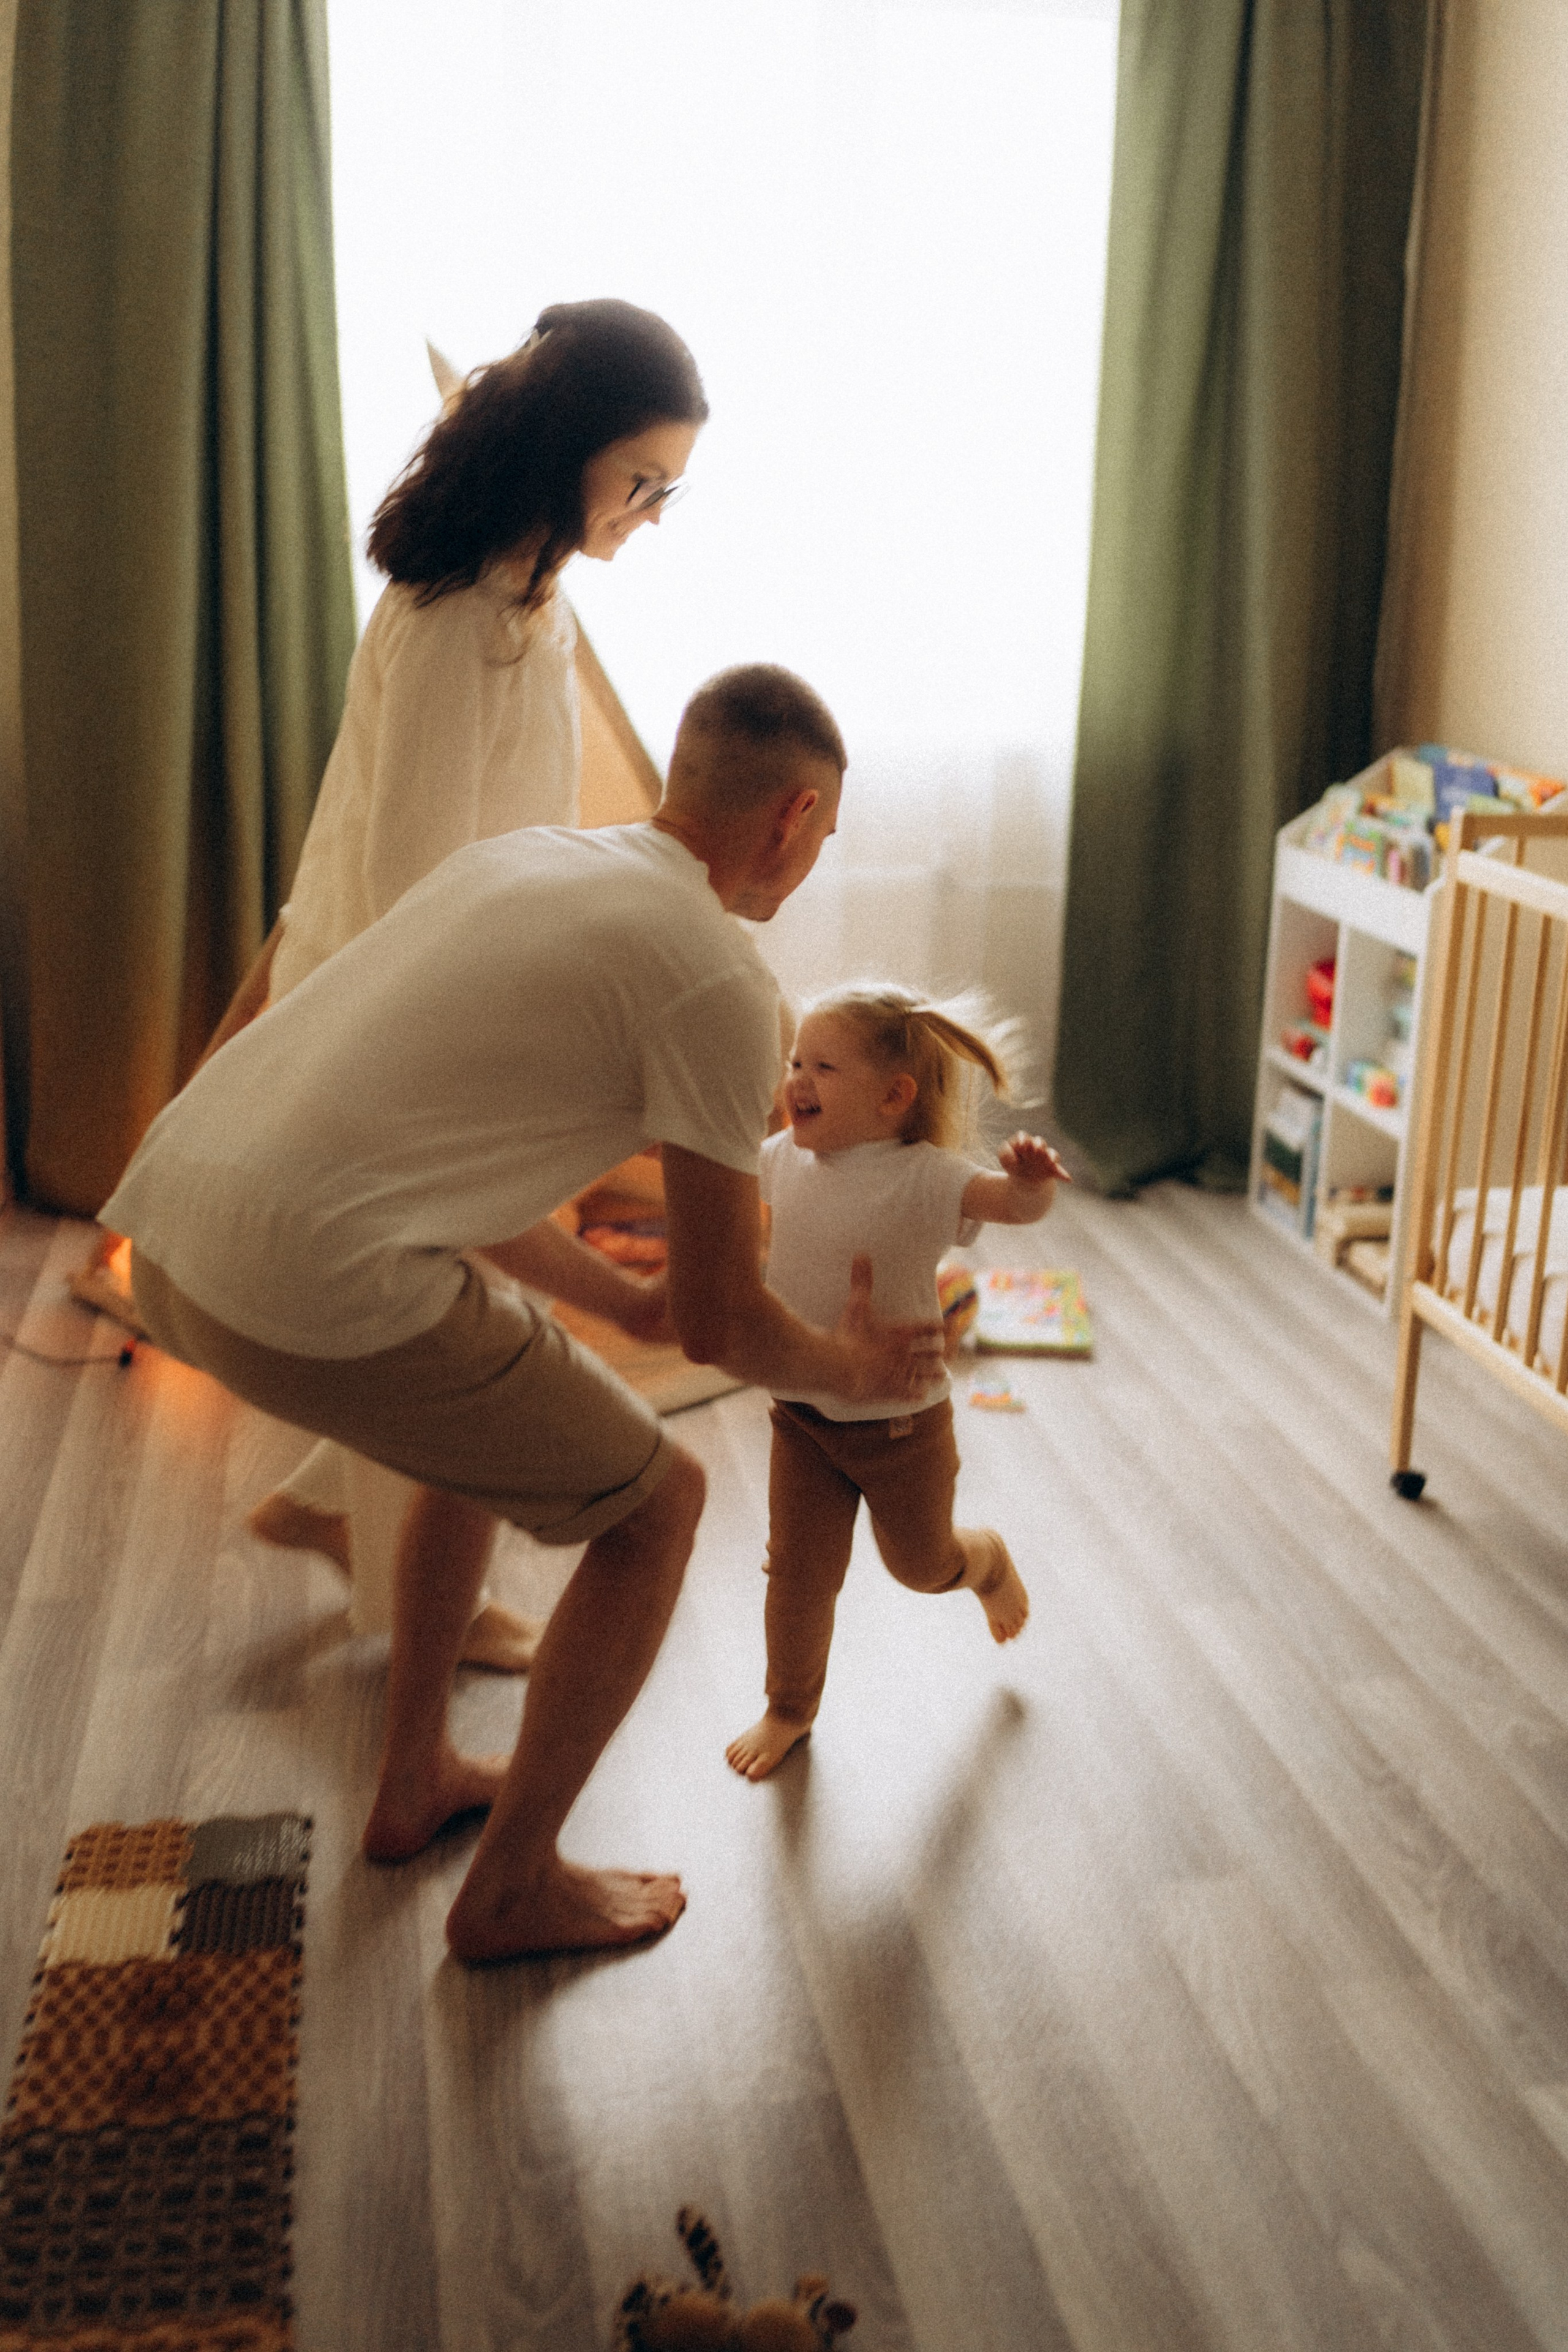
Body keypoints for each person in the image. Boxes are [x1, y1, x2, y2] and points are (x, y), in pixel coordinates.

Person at [102, 666, 944, 1962]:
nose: (815, 856)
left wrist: (623, 1300)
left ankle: (416, 1778)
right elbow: (724, 1323)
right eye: (824, 832)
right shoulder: (716, 978)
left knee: (491, 1423)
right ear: (793, 814)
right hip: (301, 1275)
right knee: (656, 1505)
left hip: (170, 1231)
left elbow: (448, 1178)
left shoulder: (525, 863)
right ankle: (511, 1888)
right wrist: (854, 1364)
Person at [225, 298, 710, 1670]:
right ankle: (411, 1601)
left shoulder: (527, 592)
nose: (651, 515)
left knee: (450, 1293)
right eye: (641, 481)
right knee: (441, 1317)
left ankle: (330, 1510)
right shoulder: (458, 617)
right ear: (567, 448)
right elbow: (413, 877)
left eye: (668, 490)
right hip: (397, 997)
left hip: (442, 978)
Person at [724, 985, 1066, 1784]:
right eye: (795, 1063)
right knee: (797, 1575)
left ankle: (985, 1562)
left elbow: (1013, 1207)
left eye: (823, 1068)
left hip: (901, 1427)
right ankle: (788, 1708)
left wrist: (1031, 1182)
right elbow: (718, 1174)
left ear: (893, 1097)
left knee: (920, 1566)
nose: (797, 1080)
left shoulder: (927, 1177)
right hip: (802, 1412)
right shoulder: (783, 1157)